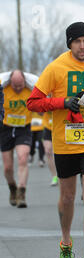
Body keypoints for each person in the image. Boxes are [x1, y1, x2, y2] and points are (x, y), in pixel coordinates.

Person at [27, 22, 84, 258]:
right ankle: (65, 243)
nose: (82, 46)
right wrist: (61, 102)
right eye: (77, 41)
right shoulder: (56, 67)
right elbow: (33, 102)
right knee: (68, 197)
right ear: (69, 43)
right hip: (65, 140)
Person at [0, 70, 33, 208]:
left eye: (20, 85)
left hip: (23, 128)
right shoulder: (4, 89)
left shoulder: (30, 89)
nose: (18, 88)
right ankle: (12, 187)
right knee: (7, 167)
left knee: (23, 158)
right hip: (6, 128)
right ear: (10, 82)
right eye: (15, 85)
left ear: (25, 82)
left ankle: (21, 192)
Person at [42, 111, 58, 186]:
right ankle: (54, 176)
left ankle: (64, 174)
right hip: (48, 126)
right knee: (48, 151)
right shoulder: (46, 97)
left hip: (61, 126)